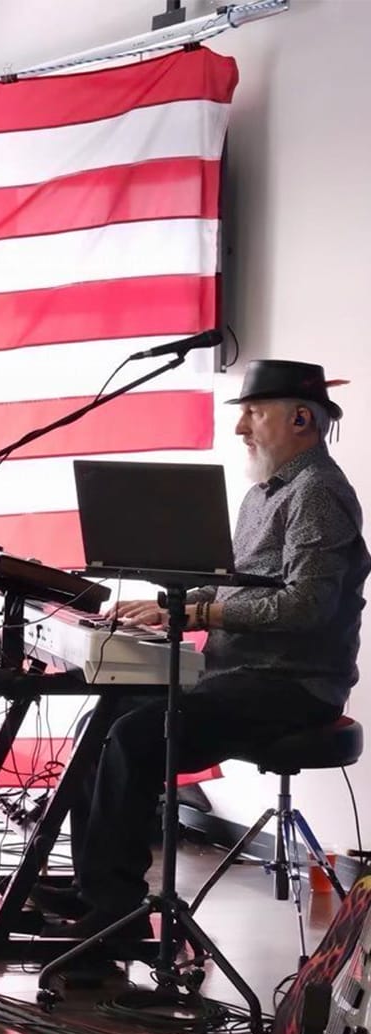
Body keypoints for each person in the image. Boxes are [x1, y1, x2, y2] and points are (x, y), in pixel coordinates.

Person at [38, 360, 368, 941]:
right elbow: (230, 583)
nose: (241, 427)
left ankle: (115, 913)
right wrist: (172, 605)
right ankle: (96, 887)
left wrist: (202, 612)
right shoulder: (265, 494)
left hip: (292, 686)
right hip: (241, 677)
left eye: (252, 412)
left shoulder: (318, 494)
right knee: (104, 718)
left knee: (139, 736)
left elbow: (304, 606)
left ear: (299, 417)